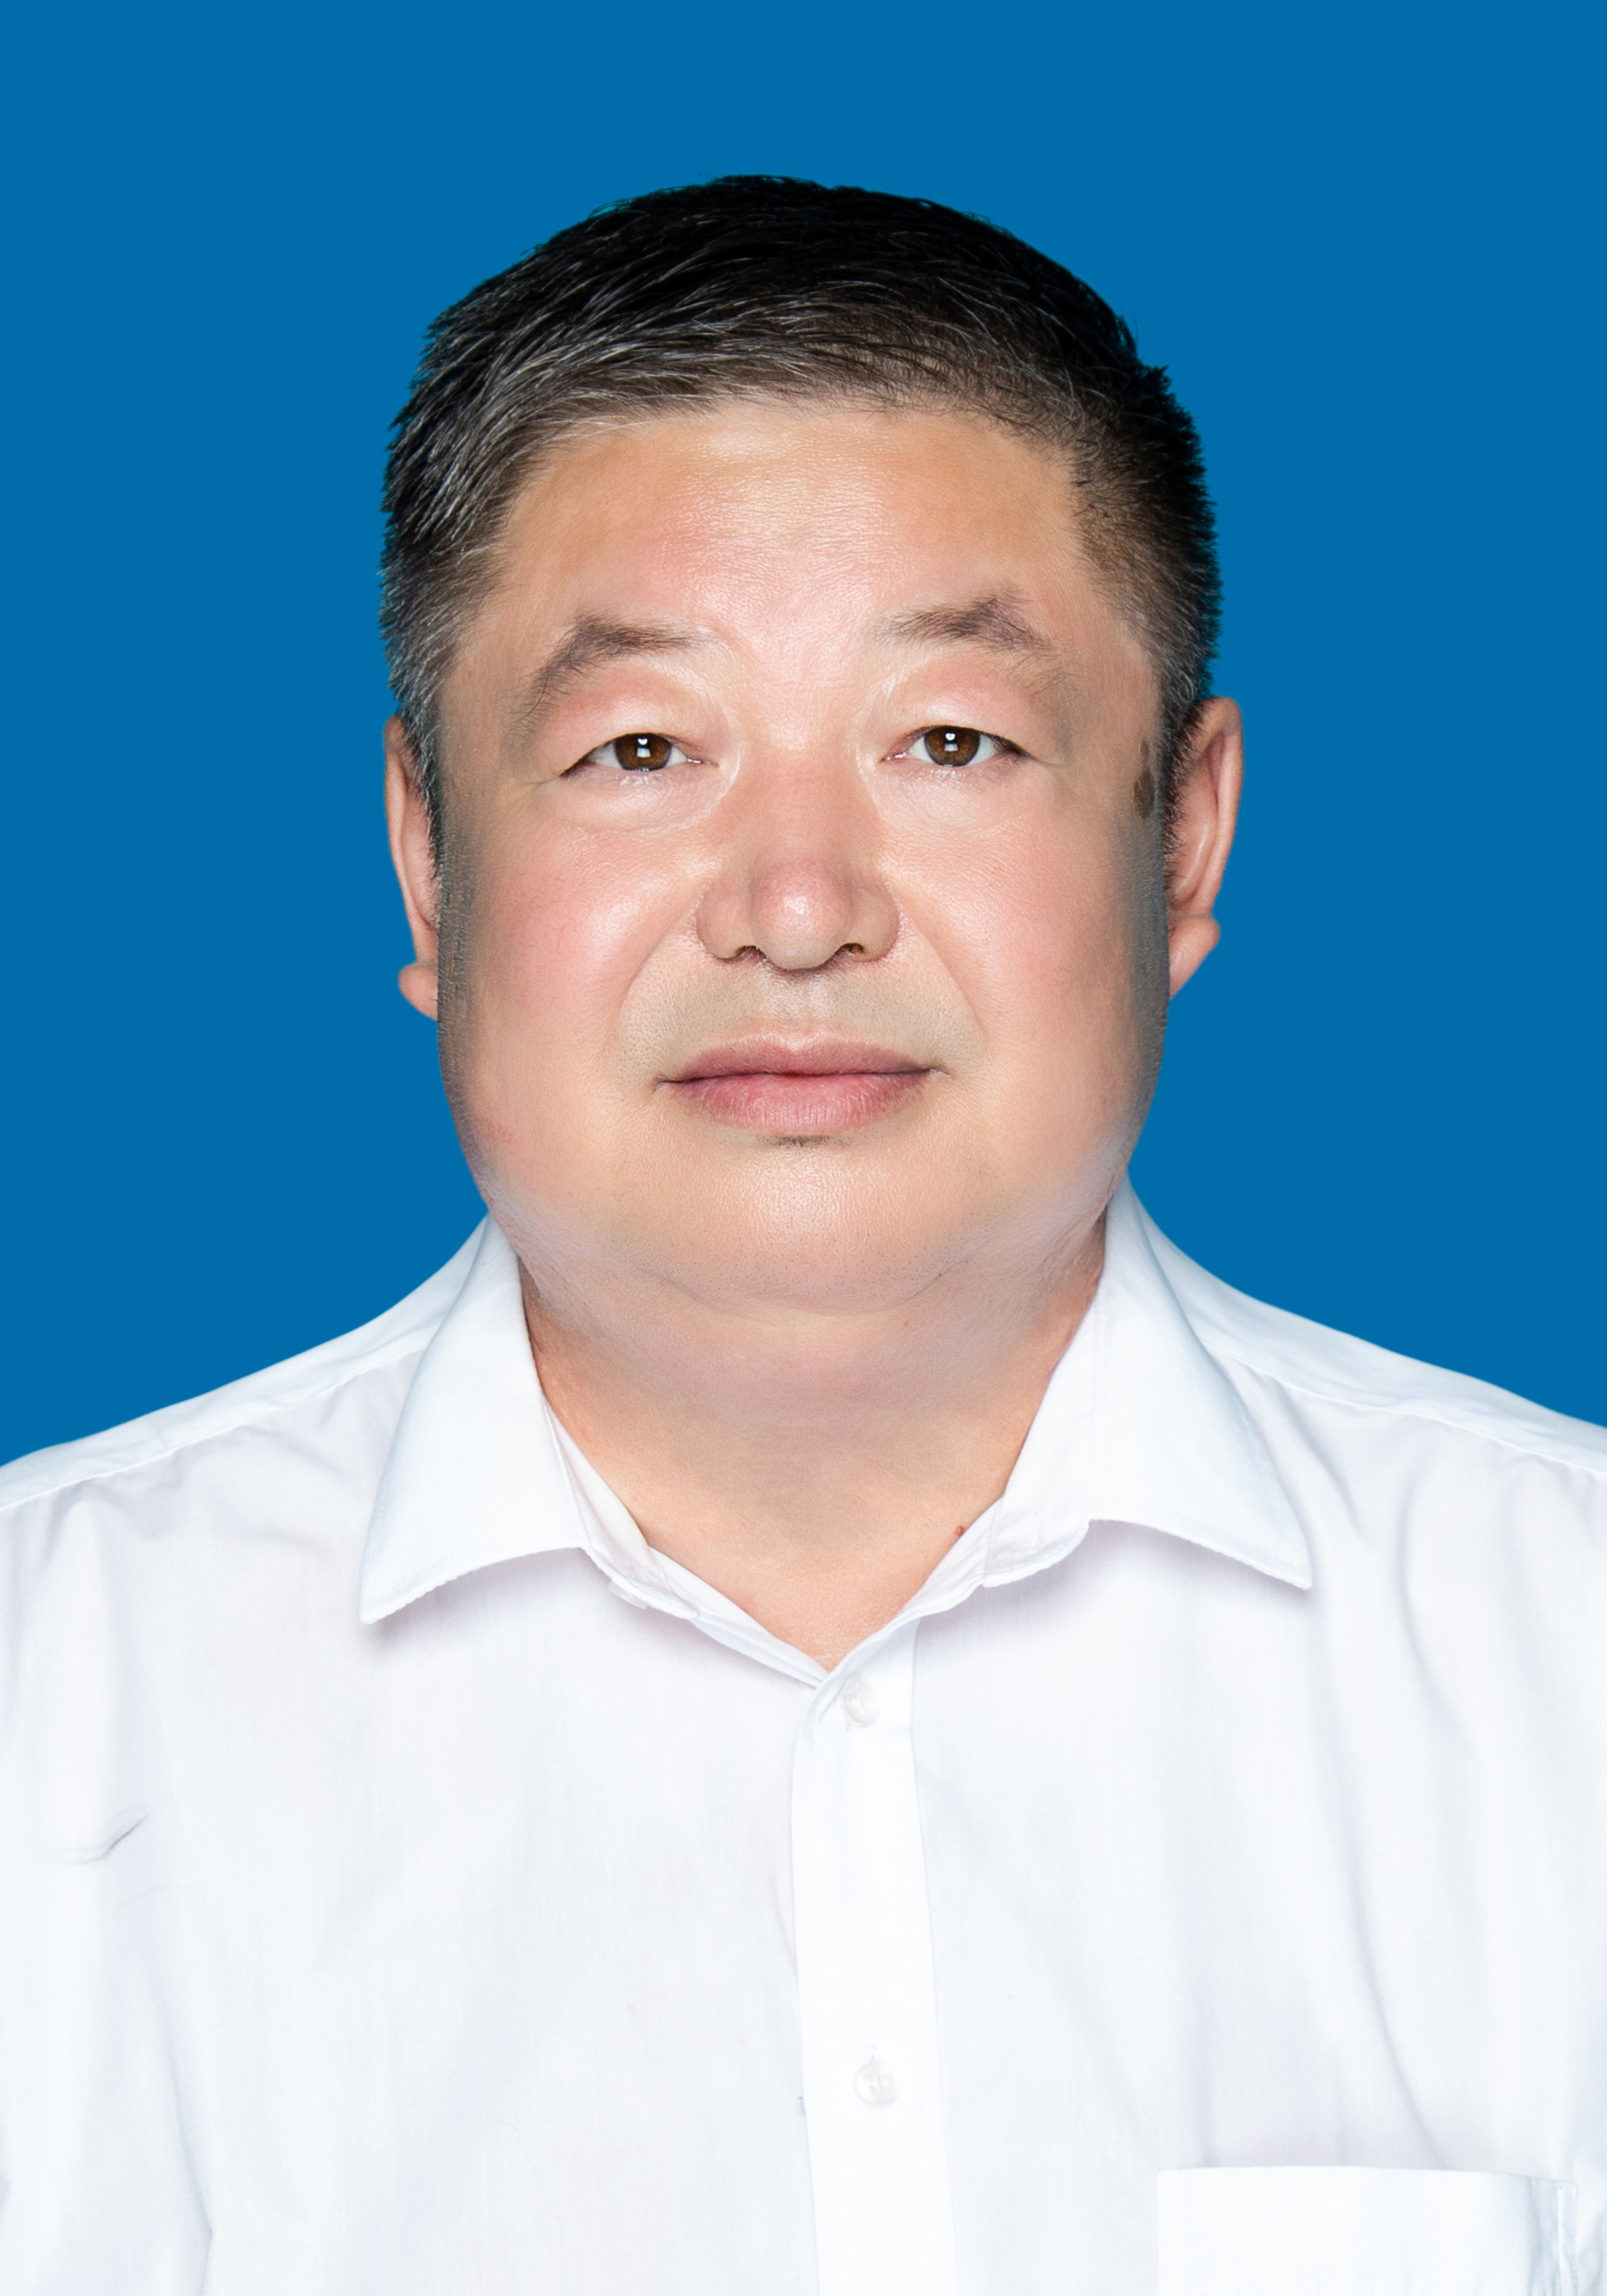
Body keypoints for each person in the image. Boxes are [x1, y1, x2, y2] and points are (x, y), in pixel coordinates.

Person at [1, 177, 1602, 2296]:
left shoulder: (1564, 1657)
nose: (794, 904)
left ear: (1183, 837)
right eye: (639, 747)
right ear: (426, 859)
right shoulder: (50, 1692)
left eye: (950, 739)